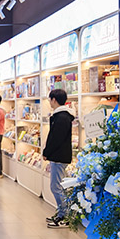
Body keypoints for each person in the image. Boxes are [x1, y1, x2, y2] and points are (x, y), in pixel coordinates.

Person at [43, 88, 74, 228]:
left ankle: (64, 216)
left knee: (56, 187)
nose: (49, 102)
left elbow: (55, 138)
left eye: (50, 99)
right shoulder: (62, 116)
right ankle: (62, 213)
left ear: (54, 99)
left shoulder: (61, 117)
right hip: (59, 155)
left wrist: (47, 152)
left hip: (59, 156)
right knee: (59, 186)